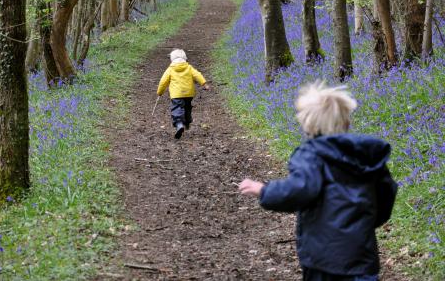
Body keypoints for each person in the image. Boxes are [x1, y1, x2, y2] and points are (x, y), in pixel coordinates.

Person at [239, 81, 397, 281]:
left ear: (308, 125)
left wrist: (264, 190)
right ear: (346, 122)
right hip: (362, 255)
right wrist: (366, 222)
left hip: (324, 258)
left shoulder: (311, 154)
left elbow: (300, 189)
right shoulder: (367, 156)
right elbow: (386, 194)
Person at [157, 49, 209, 139]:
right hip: (189, 93)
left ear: (172, 59)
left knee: (177, 108)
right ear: (185, 58)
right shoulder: (189, 67)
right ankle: (187, 121)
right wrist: (204, 84)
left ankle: (179, 124)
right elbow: (197, 75)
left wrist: (160, 92)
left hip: (176, 94)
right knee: (187, 107)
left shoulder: (170, 69)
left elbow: (163, 81)